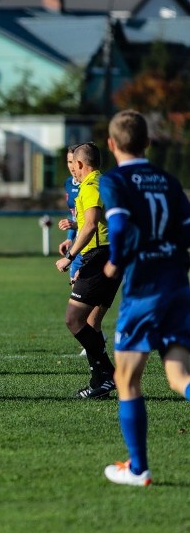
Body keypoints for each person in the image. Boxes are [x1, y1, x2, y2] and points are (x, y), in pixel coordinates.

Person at [99, 109, 190, 486]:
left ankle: (138, 469)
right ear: (148, 143)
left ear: (111, 144)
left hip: (144, 290)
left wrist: (115, 262)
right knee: (180, 376)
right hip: (177, 285)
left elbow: (117, 225)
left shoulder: (115, 179)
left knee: (127, 379)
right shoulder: (168, 180)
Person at [54, 142, 120, 398]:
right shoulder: (105, 182)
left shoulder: (91, 186)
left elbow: (91, 225)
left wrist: (70, 258)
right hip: (104, 256)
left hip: (101, 256)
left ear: (81, 164)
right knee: (90, 322)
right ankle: (99, 381)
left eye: (74, 165)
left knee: (74, 319)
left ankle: (110, 375)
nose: (73, 170)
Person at [57, 145, 83, 283]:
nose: (72, 166)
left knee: (87, 301)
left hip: (93, 246)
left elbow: (95, 221)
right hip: (78, 244)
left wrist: (75, 225)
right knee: (78, 296)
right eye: (68, 162)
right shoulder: (69, 183)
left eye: (74, 161)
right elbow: (74, 214)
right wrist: (69, 238)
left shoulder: (92, 185)